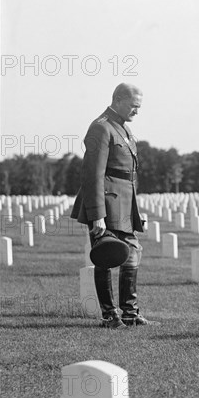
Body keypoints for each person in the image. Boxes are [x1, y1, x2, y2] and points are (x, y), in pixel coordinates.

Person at [71, 83, 153, 329]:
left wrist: (136, 210)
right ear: (118, 100)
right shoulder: (101, 128)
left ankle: (130, 312)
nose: (137, 111)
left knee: (132, 253)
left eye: (139, 106)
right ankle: (110, 315)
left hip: (125, 204)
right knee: (105, 255)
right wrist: (97, 215)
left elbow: (128, 176)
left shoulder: (123, 130)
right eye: (134, 106)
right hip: (106, 203)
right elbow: (93, 174)